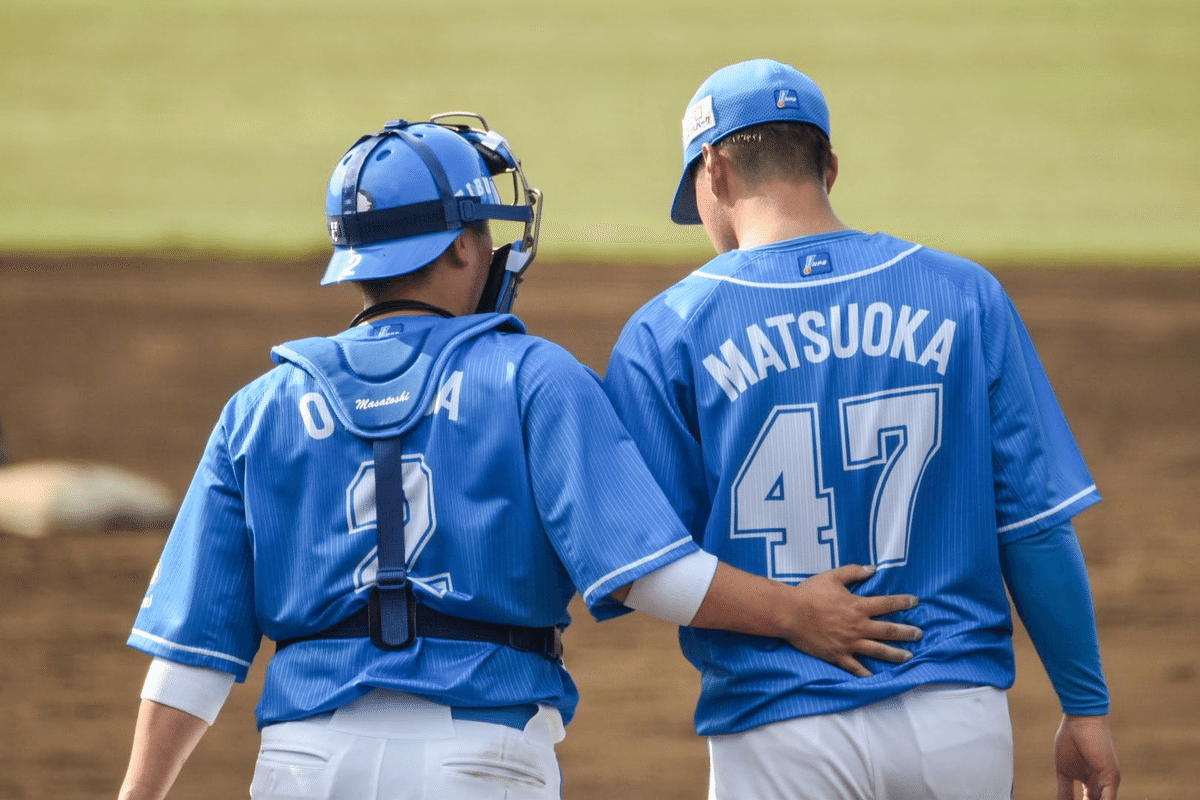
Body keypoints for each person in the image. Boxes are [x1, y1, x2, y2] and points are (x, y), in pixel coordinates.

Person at [115, 112, 924, 800]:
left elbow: (192, 660)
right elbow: (650, 574)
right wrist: (796, 612)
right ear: (467, 245)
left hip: (304, 765)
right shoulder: (532, 377)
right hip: (480, 759)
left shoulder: (258, 409)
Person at [603, 59, 1121, 800]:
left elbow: (643, 567)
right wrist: (1086, 707)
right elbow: (1034, 527)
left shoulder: (668, 332)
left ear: (712, 170)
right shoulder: (962, 294)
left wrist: (789, 614)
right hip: (955, 718)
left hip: (778, 722)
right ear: (830, 167)